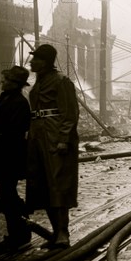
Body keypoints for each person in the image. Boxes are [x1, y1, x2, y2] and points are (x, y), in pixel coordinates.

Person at [27, 44, 80, 249]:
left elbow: (69, 113)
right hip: (37, 137)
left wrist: (63, 139)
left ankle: (63, 233)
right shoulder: (38, 83)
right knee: (42, 185)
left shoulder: (61, 82)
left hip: (54, 137)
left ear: (46, 62)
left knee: (58, 183)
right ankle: (55, 232)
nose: (32, 62)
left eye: (36, 59)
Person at [0, 66, 32, 250]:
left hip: (11, 153)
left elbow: (14, 132)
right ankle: (18, 231)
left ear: (15, 84)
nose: (3, 82)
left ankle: (20, 232)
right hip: (2, 153)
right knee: (6, 193)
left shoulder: (19, 102)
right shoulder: (4, 98)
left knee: (7, 193)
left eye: (7, 80)